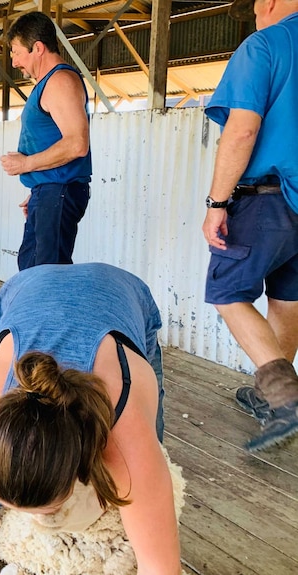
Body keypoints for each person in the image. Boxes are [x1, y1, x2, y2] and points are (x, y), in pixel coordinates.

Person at [0, 263, 179, 575]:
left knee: (151, 464)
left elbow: (160, 567)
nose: (37, 522)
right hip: (26, 289)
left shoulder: (125, 429)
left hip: (120, 292)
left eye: (50, 511)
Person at [200, 0, 298, 452]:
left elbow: (241, 131)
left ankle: (287, 398)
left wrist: (217, 202)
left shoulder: (264, 46)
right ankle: (267, 395)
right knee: (288, 294)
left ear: (268, 3)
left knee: (226, 291)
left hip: (268, 198)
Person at [0, 11, 92, 271]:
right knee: (31, 268)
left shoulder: (60, 81)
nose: (15, 62)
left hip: (58, 191)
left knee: (47, 278)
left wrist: (27, 164)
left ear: (38, 48)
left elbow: (77, 144)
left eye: (17, 52)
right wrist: (39, 187)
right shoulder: (48, 83)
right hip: (51, 190)